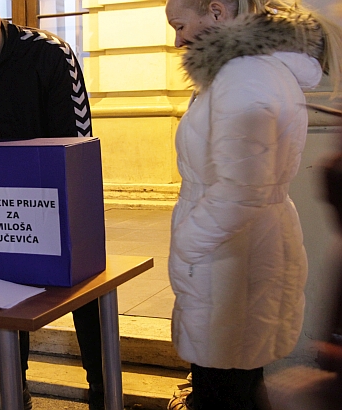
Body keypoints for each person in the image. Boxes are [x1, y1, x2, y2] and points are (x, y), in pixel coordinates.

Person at [164, 0, 342, 409]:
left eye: (180, 24)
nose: (177, 39)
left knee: (224, 388)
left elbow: (243, 189)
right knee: (235, 377)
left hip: (230, 257)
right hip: (237, 251)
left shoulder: (244, 76)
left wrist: (189, 242)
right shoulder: (247, 71)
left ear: (217, 12)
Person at [0, 1, 101, 409]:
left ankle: (101, 386)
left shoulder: (49, 54)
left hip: (57, 190)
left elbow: (76, 136)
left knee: (85, 290)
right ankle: (12, 386)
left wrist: (72, 209)